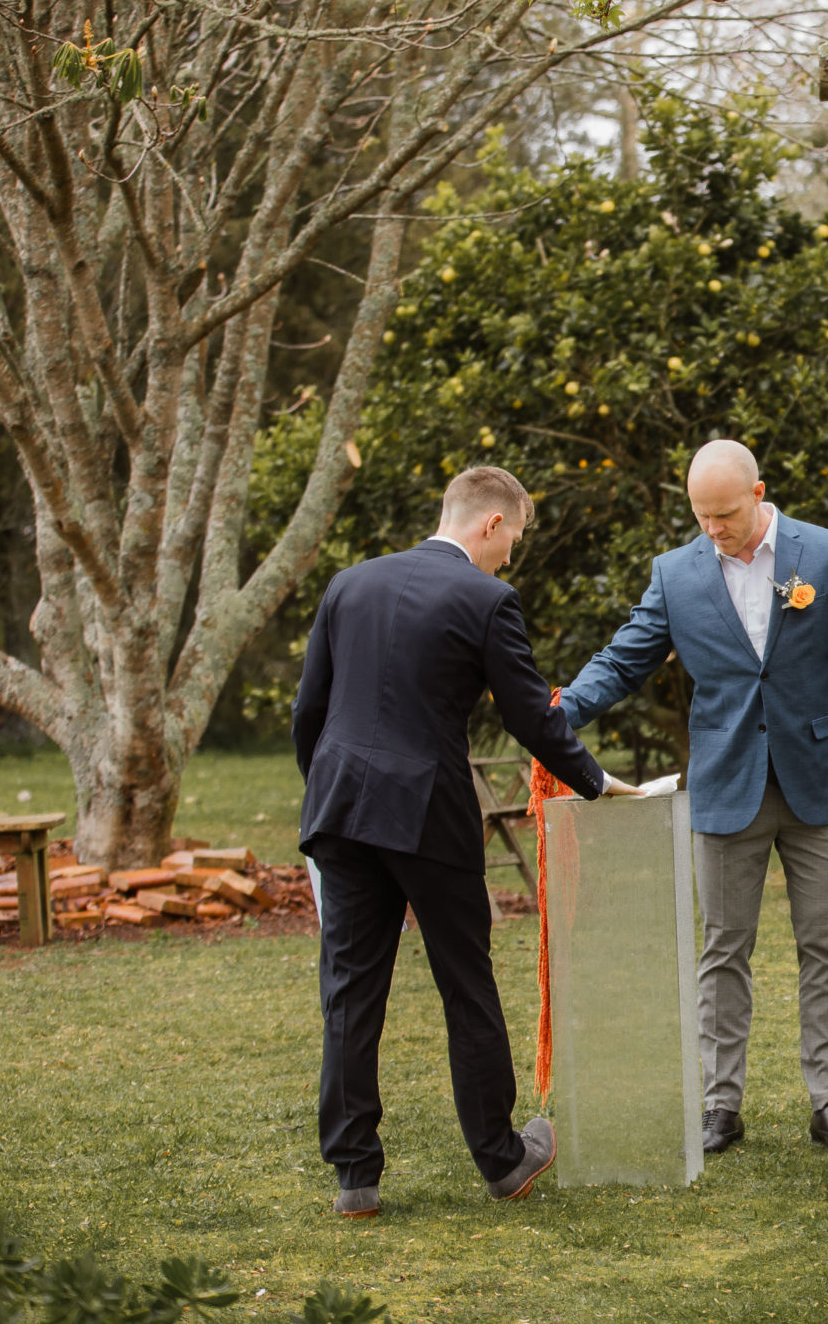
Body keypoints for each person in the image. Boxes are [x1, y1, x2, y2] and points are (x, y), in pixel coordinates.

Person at [556, 440, 828, 1157]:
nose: (713, 529)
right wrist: (556, 712)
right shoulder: (676, 573)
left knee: (825, 944)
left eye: (725, 513)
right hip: (726, 784)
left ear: (759, 492)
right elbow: (624, 659)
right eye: (701, 515)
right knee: (723, 949)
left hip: (821, 781)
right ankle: (720, 1104)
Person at [293, 467, 638, 1218]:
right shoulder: (487, 599)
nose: (512, 554)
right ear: (489, 523)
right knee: (466, 984)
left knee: (350, 990)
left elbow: (309, 709)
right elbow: (531, 716)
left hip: (341, 808)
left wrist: (328, 789)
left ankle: (355, 1176)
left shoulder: (349, 584)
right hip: (426, 815)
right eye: (514, 535)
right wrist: (594, 778)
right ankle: (503, 1159)